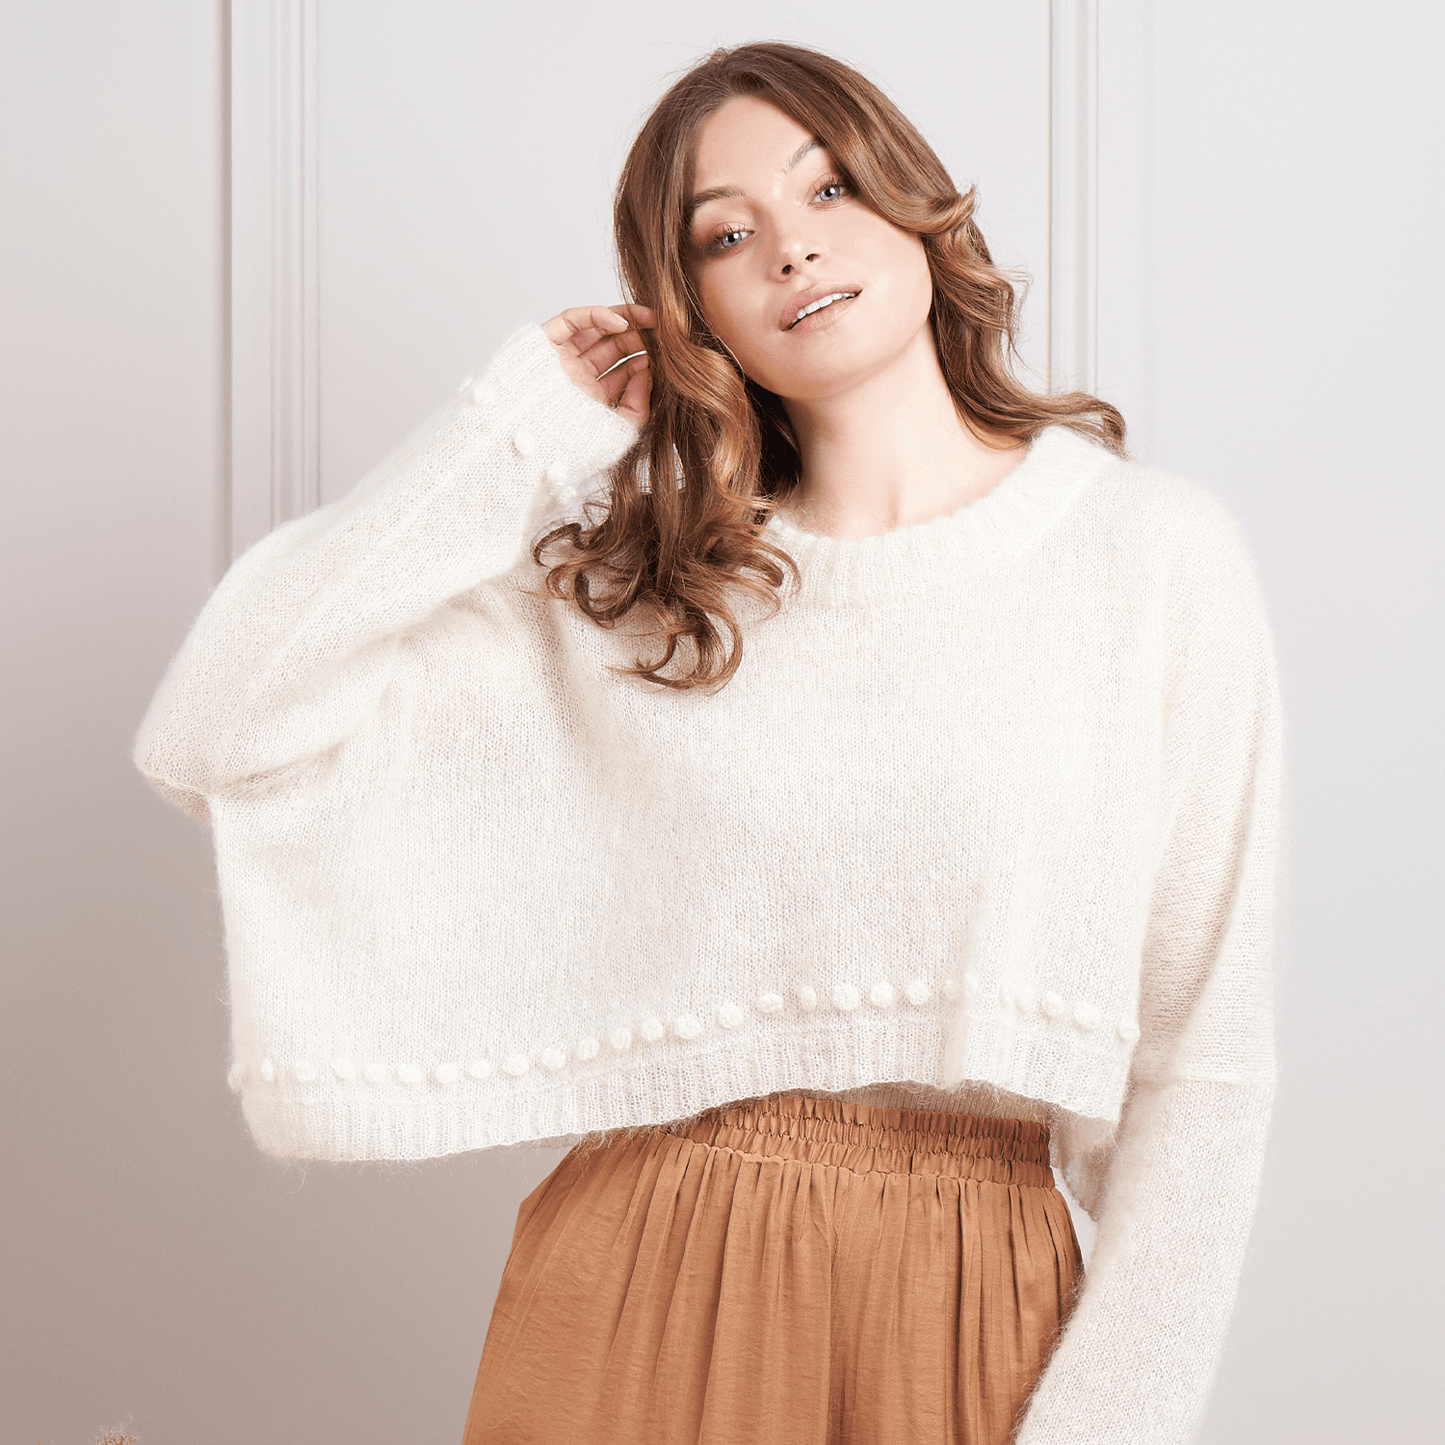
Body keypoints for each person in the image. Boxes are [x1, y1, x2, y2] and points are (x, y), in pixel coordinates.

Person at [134, 40, 1285, 1445]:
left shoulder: (1148, 560)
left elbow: (1201, 1064)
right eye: (727, 236)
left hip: (974, 1296)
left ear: (920, 210)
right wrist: (511, 435)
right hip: (643, 1273)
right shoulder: (648, 591)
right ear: (694, 314)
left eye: (831, 188)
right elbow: (215, 729)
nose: (793, 247)